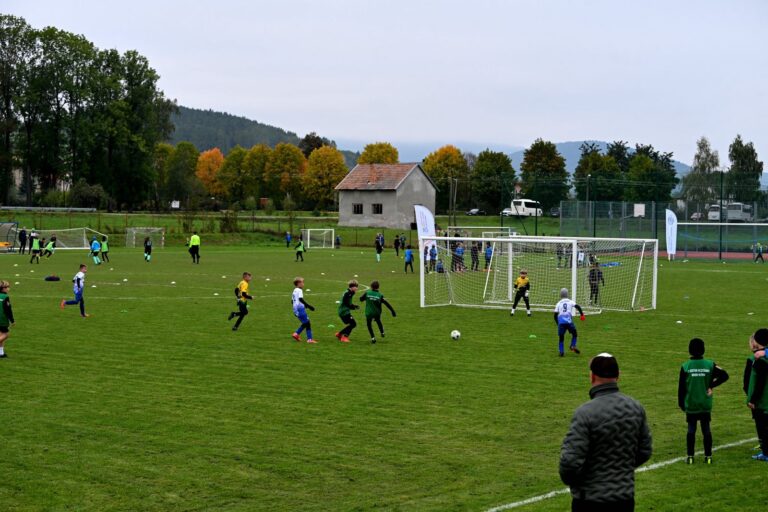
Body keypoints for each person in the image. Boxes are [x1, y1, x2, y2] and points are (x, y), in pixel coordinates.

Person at [559, 353, 653, 512]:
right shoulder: (635, 407)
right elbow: (644, 451)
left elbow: (569, 464)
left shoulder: (585, 413)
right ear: (618, 376)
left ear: (592, 376)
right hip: (624, 499)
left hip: (590, 501)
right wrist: (619, 471)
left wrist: (587, 480)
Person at [678, 337, 729, 464]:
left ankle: (690, 457)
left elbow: (681, 388)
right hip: (705, 403)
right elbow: (724, 375)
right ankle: (708, 457)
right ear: (703, 350)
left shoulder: (685, 366)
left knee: (691, 429)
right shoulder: (710, 364)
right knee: (706, 429)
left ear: (689, 350)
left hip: (691, 404)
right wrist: (711, 385)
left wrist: (682, 404)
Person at [743, 328, 768, 461]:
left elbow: (757, 383)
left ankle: (765, 453)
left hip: (761, 400)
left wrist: (752, 399)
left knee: (762, 427)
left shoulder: (757, 360)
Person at [554, 288, 584, 357]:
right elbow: (577, 306)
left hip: (561, 323)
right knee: (575, 334)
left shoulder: (558, 303)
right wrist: (582, 314)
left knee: (561, 337)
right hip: (569, 322)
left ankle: (561, 352)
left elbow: (555, 315)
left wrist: (558, 323)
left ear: (560, 295)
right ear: (567, 294)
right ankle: (572, 345)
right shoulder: (570, 302)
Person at [291, 277, 316, 343]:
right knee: (307, 323)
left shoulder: (294, 290)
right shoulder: (299, 290)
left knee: (305, 323)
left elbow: (292, 301)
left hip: (296, 309)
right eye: (302, 282)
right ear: (298, 283)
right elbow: (300, 299)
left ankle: (296, 334)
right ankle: (309, 339)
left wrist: (297, 308)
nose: (303, 284)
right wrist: (309, 306)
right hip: (300, 309)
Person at [0, 280, 15, 358]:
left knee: (1, 335)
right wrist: (12, 320)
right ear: (3, 288)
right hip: (2, 319)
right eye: (7, 287)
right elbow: (8, 310)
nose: (8, 288)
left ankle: (1, 353)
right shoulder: (5, 297)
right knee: (6, 335)